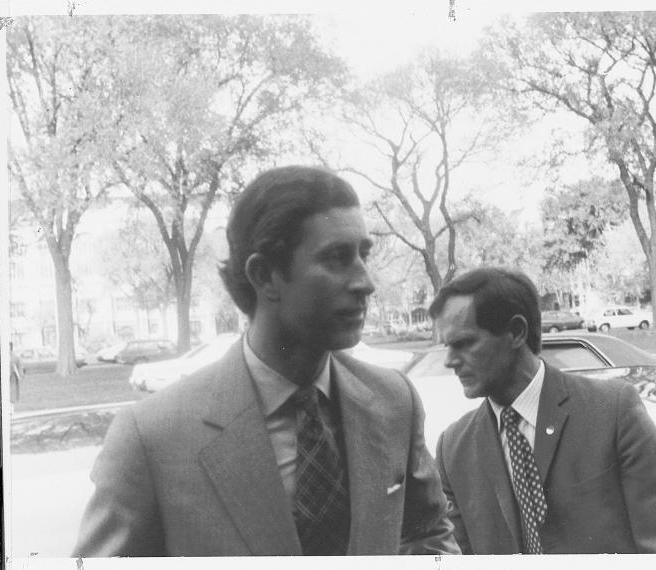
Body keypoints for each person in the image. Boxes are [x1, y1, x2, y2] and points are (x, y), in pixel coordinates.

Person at [73, 166, 459, 557]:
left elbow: (427, 532)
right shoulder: (152, 436)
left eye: (363, 254)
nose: (366, 282)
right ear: (264, 275)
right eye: (337, 258)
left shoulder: (394, 400)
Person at [430, 267, 656, 555]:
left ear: (516, 332)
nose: (449, 361)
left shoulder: (612, 411)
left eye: (464, 343)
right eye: (448, 346)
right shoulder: (453, 448)